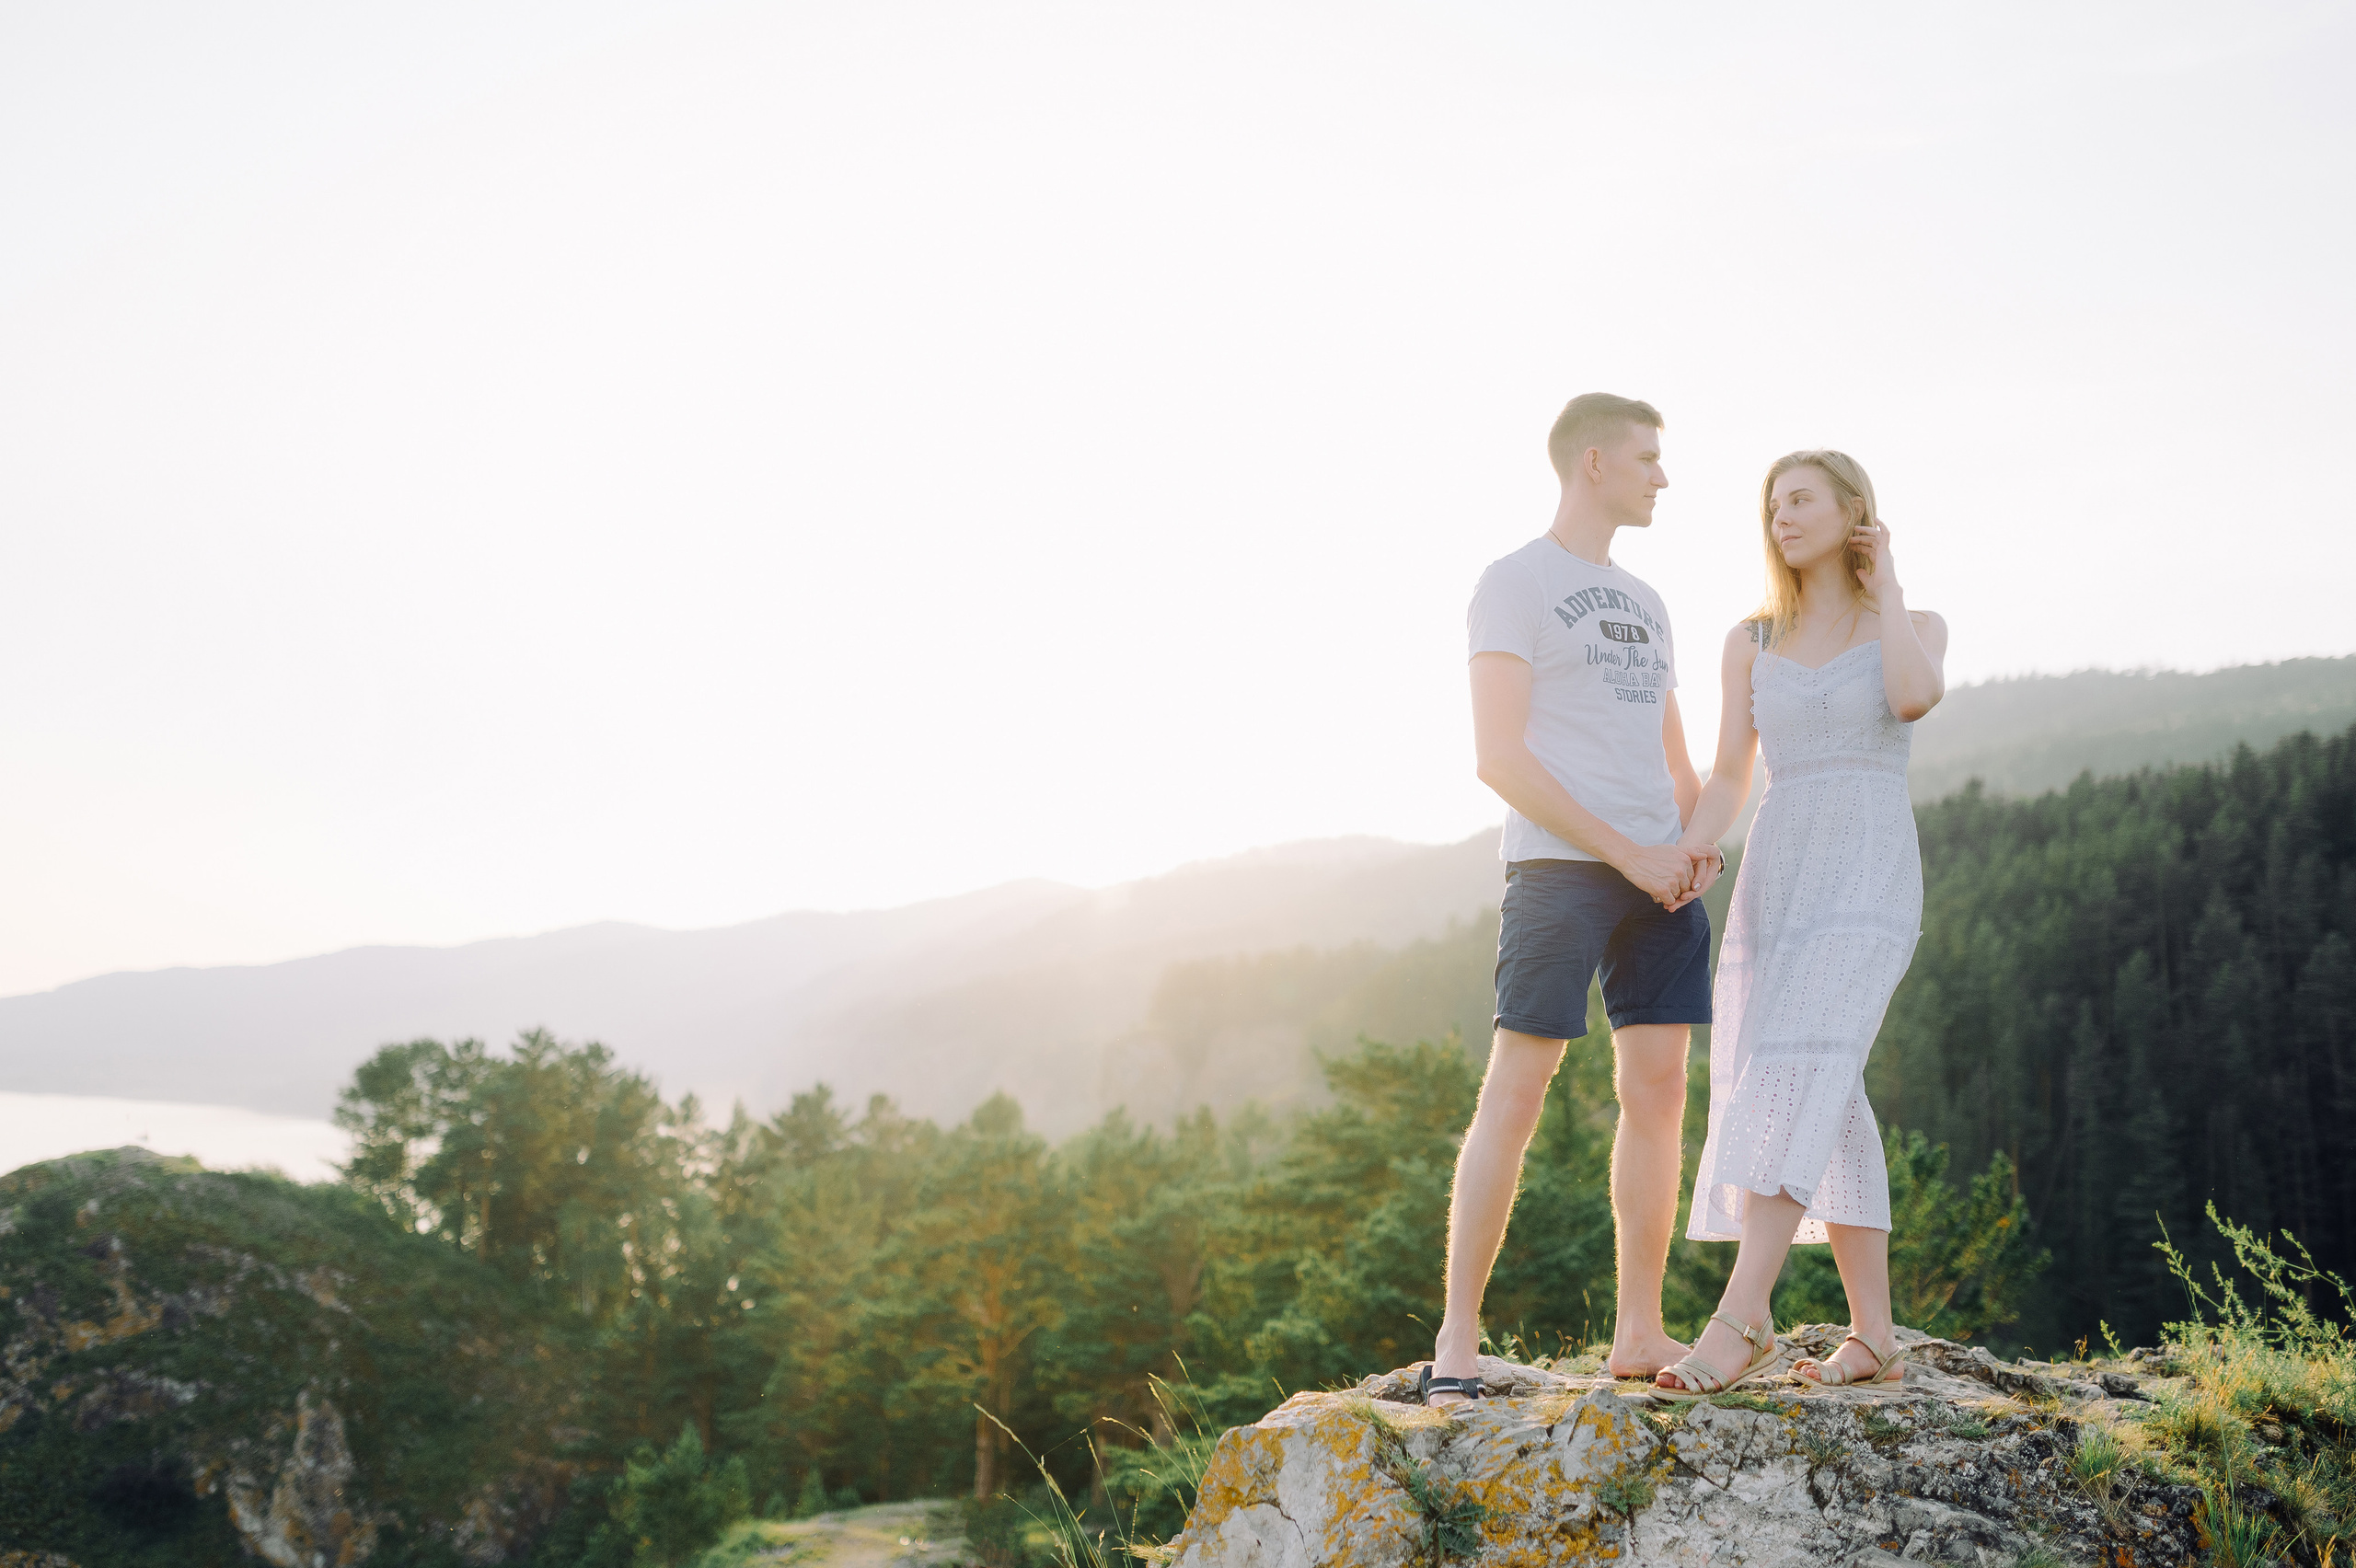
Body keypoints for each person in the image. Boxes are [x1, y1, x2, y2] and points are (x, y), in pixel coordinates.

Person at [1425, 393, 1719, 1405]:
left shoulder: (1648, 603)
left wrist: (1689, 842)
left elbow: (1669, 752)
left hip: (1657, 876)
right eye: (1646, 458)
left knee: (1661, 1094)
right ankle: (1457, 1338)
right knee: (1515, 1092)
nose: (1662, 477)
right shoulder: (1512, 584)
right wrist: (1625, 852)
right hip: (1558, 868)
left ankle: (1639, 1330)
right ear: (1591, 463)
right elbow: (1497, 757)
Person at [1652, 449, 1946, 1399]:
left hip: (1867, 874)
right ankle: (1873, 1336)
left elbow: (1911, 696)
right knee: (1827, 1083)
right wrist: (1697, 847)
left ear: (1854, 511)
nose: (1780, 516)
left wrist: (1886, 580)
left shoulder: (1911, 623)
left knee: (1793, 1070)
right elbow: (1733, 772)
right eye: (1772, 504)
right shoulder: (1750, 638)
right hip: (1780, 876)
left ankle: (1741, 1320)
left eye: (1801, 499)